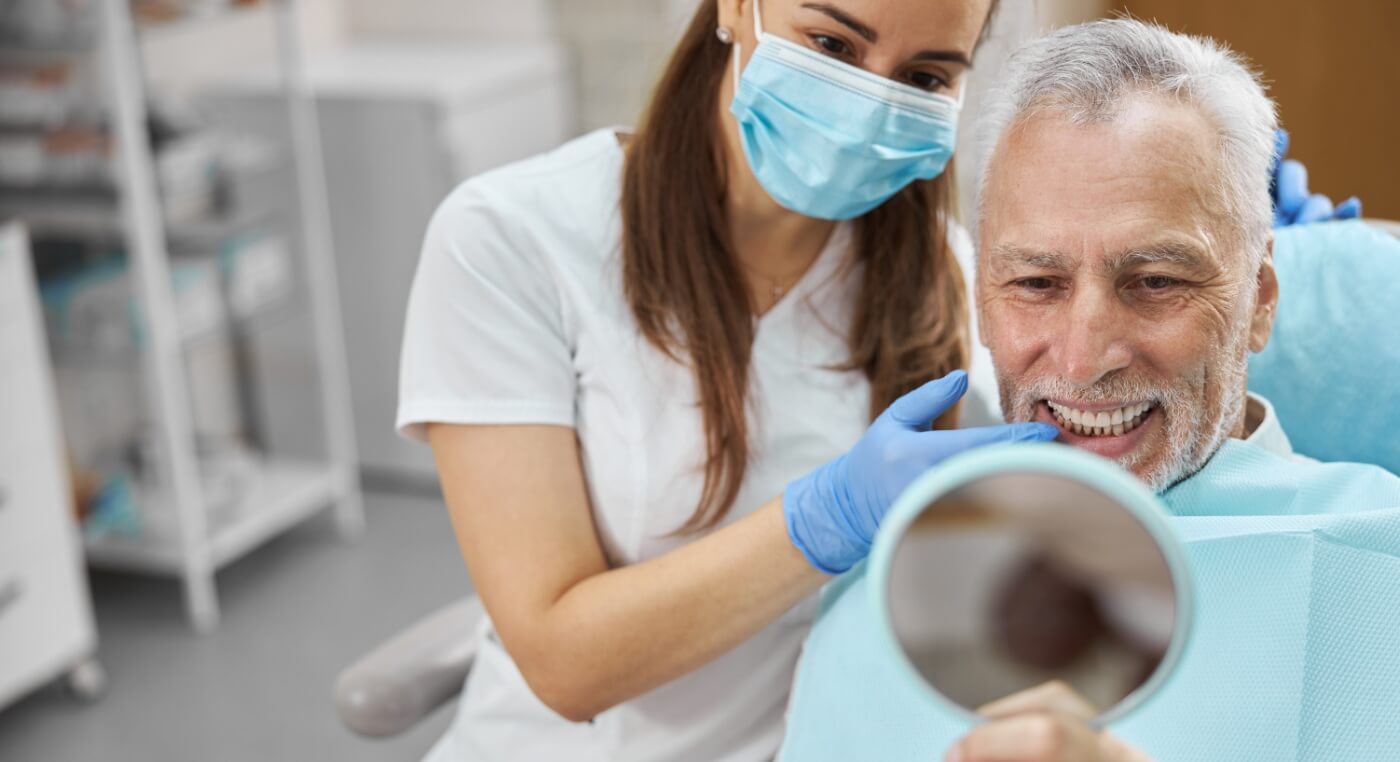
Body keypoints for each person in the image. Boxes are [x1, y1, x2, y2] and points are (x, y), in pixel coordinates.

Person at [397, 1, 1355, 759]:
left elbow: (1093, 418)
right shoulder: (511, 241)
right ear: (736, 6)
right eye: (831, 40)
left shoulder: (935, 269)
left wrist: (1225, 258)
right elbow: (563, 665)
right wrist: (825, 521)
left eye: (928, 74)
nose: (870, 98)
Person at [778, 19, 1400, 762]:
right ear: (981, 298)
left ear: (1259, 300)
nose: (1080, 362)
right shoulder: (883, 600)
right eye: (1037, 284)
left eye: (1156, 282)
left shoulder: (1381, 563)